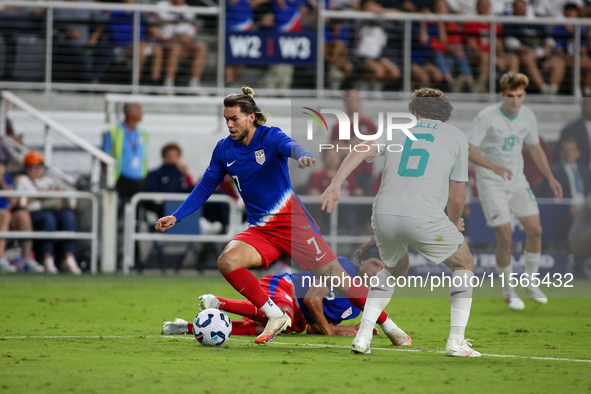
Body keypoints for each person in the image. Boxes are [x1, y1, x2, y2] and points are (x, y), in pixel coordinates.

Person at [155, 86, 400, 345]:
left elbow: (290, 146)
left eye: (234, 118)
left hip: (295, 226)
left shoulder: (270, 137)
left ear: (251, 117)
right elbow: (205, 186)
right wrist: (177, 216)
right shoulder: (223, 150)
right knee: (227, 261)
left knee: (339, 281)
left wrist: (304, 155)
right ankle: (275, 315)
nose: (229, 124)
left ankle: (392, 328)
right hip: (261, 229)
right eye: (226, 119)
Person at [320, 88, 479, 357]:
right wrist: (452, 224)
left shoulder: (397, 129)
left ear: (414, 113)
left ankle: (362, 336)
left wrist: (336, 183)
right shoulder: (456, 137)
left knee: (396, 267)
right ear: (445, 114)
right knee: (463, 263)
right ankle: (456, 341)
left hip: (383, 214)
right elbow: (457, 194)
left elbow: (360, 148)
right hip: (423, 215)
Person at [161, 238, 412, 344]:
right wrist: (333, 331)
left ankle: (187, 327)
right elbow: (313, 299)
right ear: (364, 262)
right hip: (284, 288)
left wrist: (336, 328)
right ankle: (221, 303)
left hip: (298, 319)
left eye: (383, 268)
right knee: (281, 315)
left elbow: (314, 326)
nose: (377, 271)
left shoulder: (355, 307)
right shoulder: (343, 267)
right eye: (376, 264)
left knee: (257, 329)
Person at [467, 72, 562, 310]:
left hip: (517, 181)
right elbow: (469, 149)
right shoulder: (486, 117)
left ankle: (530, 281)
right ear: (502, 95)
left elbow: (535, 148)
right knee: (506, 237)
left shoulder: (528, 116)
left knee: (536, 230)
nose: (515, 101)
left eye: (519, 96)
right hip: (491, 182)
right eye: (510, 96)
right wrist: (494, 167)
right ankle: (509, 290)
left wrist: (550, 177)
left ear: (524, 95)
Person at [15, 151, 82, 275]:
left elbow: (59, 200)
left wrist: (50, 195)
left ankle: (68, 257)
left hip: (51, 210)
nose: (37, 170)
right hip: (33, 213)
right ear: (26, 168)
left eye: (39, 166)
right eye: (33, 166)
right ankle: (47, 258)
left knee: (68, 216)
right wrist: (38, 195)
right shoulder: (22, 180)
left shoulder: (47, 180)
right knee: (48, 219)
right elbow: (18, 202)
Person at [503, 0, 565, 95]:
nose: (519, 9)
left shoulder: (536, 21)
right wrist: (529, 51)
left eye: (521, 7)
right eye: (517, 7)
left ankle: (552, 90)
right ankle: (543, 89)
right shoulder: (511, 23)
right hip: (525, 56)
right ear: (513, 9)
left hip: (541, 55)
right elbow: (511, 42)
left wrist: (542, 51)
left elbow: (549, 40)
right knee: (528, 58)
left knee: (559, 62)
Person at [150, 0, 208, 92]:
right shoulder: (160, 6)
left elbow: (191, 35)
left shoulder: (189, 11)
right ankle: (168, 84)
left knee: (201, 46)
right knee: (175, 48)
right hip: (164, 43)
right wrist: (164, 39)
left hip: (182, 45)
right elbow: (151, 28)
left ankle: (194, 83)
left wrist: (183, 38)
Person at [102, 103, 148, 215]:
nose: (142, 113)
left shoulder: (142, 134)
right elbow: (104, 158)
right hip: (120, 180)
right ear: (130, 113)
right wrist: (109, 179)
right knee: (119, 212)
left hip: (138, 179)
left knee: (137, 213)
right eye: (139, 109)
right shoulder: (115, 132)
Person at [463, 0, 519, 93]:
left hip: (492, 55)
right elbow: (473, 47)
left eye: (486, 5)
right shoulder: (471, 23)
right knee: (484, 57)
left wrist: (500, 57)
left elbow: (499, 45)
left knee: (513, 58)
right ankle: (482, 89)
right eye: (482, 5)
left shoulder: (494, 24)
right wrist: (493, 58)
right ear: (477, 7)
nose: (484, 7)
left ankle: (511, 88)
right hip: (476, 55)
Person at [0, 164, 41, 273]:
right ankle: (0, 258)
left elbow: (13, 200)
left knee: (23, 216)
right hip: (3, 214)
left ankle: (25, 259)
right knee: (4, 215)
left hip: (6, 211)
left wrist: (1, 179)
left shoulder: (4, 177)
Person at [541, 137, 591, 207]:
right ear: (560, 153)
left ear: (578, 153)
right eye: (565, 150)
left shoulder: (585, 171)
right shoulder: (552, 172)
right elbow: (551, 198)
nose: (569, 153)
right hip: (565, 208)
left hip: (586, 208)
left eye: (572, 150)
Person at [556, 98, 591, 169]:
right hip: (580, 172)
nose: (589, 108)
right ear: (582, 106)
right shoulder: (571, 129)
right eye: (586, 105)